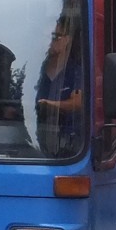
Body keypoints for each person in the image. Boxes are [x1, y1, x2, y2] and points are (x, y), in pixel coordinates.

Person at [35, 17, 83, 155]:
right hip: (34, 139)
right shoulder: (35, 70)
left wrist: (51, 105)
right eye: (45, 37)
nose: (48, 42)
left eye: (55, 37)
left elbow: (78, 102)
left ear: (68, 39)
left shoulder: (76, 72)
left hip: (69, 146)